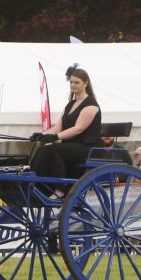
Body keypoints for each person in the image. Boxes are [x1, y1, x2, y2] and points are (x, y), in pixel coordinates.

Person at [29, 66, 102, 198]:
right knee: (44, 148)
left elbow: (78, 129)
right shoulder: (70, 105)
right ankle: (36, 184)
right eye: (71, 82)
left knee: (55, 149)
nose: (73, 85)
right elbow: (58, 127)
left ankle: (60, 190)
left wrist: (55, 137)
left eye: (77, 82)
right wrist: (42, 135)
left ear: (86, 83)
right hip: (72, 145)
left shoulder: (91, 105)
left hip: (88, 147)